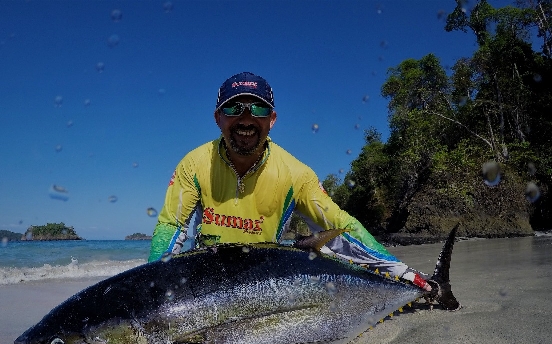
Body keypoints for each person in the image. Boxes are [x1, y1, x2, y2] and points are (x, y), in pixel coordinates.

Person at [148, 72, 432, 293]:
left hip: (266, 280)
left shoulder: (296, 174)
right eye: (234, 109)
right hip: (206, 279)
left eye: (258, 110)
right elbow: (172, 225)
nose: (246, 119)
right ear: (218, 118)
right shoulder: (194, 163)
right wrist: (152, 284)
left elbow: (341, 226)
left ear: (272, 119)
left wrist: (403, 272)